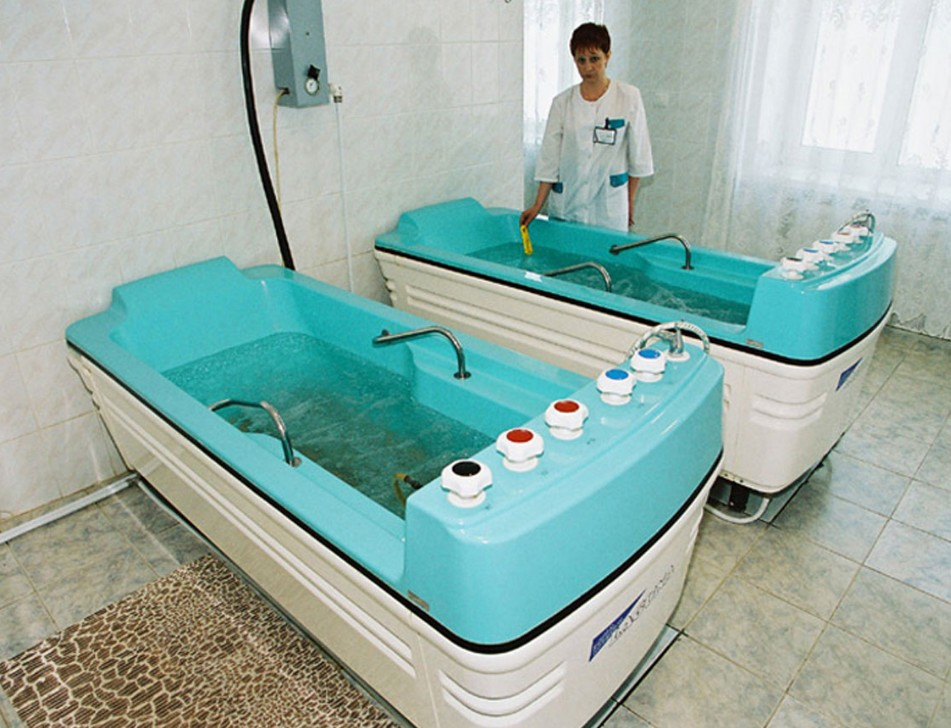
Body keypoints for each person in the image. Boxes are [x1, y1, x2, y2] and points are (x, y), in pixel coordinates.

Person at [521, 22, 653, 232]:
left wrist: (629, 202)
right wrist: (537, 205)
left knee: (607, 253)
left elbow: (639, 158)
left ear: (607, 56)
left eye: (594, 59)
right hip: (567, 204)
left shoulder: (628, 97)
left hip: (609, 208)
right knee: (566, 251)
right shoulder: (562, 102)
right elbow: (549, 159)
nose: (588, 67)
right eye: (581, 60)